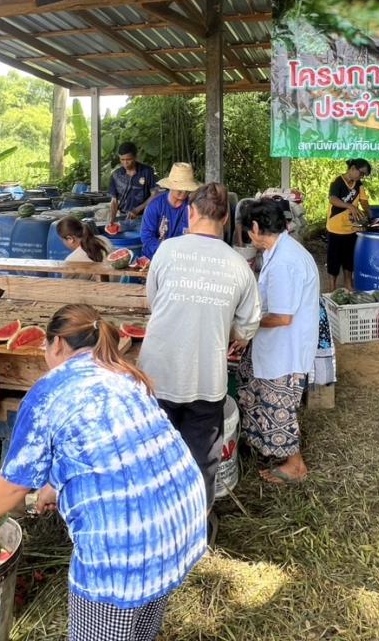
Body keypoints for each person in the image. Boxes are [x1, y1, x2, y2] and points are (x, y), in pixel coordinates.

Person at [0, 305, 207, 641]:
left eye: (45, 348)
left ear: (57, 345)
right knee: (141, 625)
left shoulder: (49, 391)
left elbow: (13, 484)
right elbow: (103, 449)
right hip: (180, 517)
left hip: (123, 544)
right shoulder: (121, 373)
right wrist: (54, 486)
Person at [140, 182, 260, 515]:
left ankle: (157, 520)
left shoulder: (166, 251)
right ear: (225, 220)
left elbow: (154, 301)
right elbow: (249, 324)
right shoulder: (239, 266)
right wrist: (231, 331)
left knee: (157, 455)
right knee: (202, 461)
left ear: (191, 213)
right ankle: (195, 527)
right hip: (207, 381)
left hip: (159, 375)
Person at [236, 199, 320, 485]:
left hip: (286, 349)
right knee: (248, 380)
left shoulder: (285, 261)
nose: (249, 236)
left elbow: (282, 317)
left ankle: (295, 465)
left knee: (278, 404)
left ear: (257, 228)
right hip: (272, 344)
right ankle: (261, 443)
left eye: (249, 230)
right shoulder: (279, 251)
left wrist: (244, 324)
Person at [324, 158, 372, 291]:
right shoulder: (337, 181)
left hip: (351, 229)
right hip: (335, 228)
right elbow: (333, 199)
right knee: (333, 260)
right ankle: (332, 289)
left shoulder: (359, 184)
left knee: (349, 260)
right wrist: (349, 206)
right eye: (361, 173)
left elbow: (364, 201)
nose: (361, 177)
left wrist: (369, 214)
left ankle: (348, 285)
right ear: (353, 169)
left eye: (364, 175)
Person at [139, 162, 198, 260]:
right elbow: (147, 238)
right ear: (171, 186)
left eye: (187, 189)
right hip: (155, 257)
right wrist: (168, 250)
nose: (184, 192)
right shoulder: (155, 206)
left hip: (182, 258)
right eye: (180, 188)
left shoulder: (192, 207)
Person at [106, 141, 157, 225]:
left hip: (144, 216)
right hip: (123, 216)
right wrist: (112, 219)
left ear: (135, 157)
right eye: (122, 159)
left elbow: (154, 194)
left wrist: (137, 209)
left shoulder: (147, 171)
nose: (125, 163)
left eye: (128, 159)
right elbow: (114, 201)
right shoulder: (116, 175)